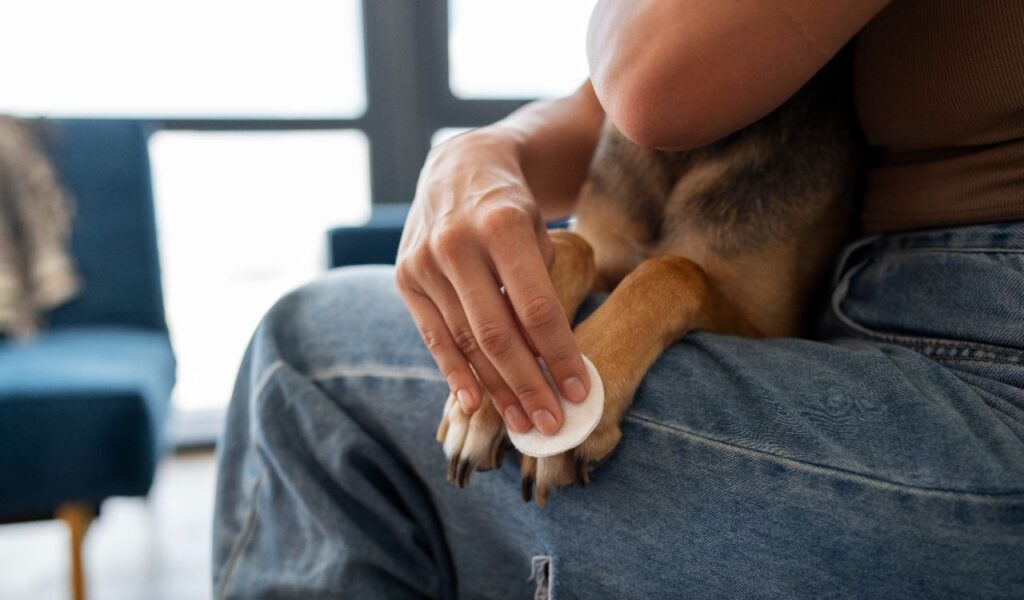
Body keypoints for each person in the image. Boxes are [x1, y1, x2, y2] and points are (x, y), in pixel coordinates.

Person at [212, 1, 1024, 597]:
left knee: (309, 357)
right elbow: (599, 108)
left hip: (981, 362)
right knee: (559, 260)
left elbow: (648, 82)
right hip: (895, 321)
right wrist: (480, 153)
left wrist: (656, 295)